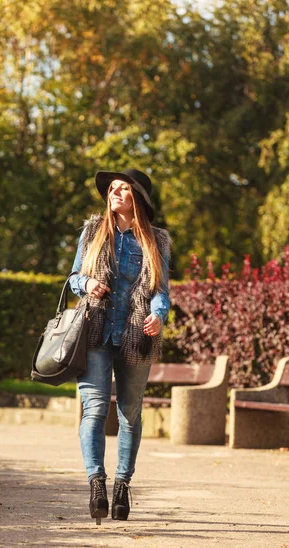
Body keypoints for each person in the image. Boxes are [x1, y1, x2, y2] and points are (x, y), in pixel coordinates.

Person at [69, 168, 171, 522]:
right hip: (95, 331)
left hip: (137, 336)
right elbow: (72, 277)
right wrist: (86, 284)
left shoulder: (156, 241)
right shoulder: (93, 232)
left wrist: (158, 316)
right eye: (112, 189)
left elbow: (161, 292)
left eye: (122, 189)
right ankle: (96, 481)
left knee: (130, 413)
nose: (114, 193)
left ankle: (123, 485)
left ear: (137, 198)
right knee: (95, 410)